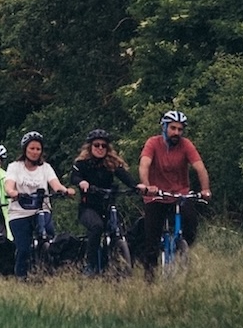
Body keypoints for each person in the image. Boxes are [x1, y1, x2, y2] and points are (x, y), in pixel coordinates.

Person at [139, 110, 212, 278]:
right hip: (156, 195)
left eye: (180, 129)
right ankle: (149, 278)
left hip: (179, 194)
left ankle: (181, 248)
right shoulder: (153, 143)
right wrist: (147, 186)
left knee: (191, 223)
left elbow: (200, 167)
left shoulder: (186, 145)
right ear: (164, 127)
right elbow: (144, 165)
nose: (176, 133)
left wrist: (205, 189)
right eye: (173, 128)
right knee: (152, 240)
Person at [5, 132, 73, 277]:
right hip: (19, 213)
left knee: (50, 240)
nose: (35, 152)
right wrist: (13, 192)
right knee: (23, 249)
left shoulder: (46, 168)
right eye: (32, 148)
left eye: (38, 149)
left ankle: (50, 273)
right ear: (25, 150)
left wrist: (64, 191)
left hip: (42, 210)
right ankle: (21, 278)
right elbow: (9, 185)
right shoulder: (14, 167)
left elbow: (55, 184)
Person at [70, 129, 137, 275]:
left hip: (107, 205)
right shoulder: (81, 164)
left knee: (119, 228)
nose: (100, 148)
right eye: (97, 145)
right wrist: (82, 182)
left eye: (103, 146)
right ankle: (90, 265)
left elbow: (125, 177)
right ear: (90, 147)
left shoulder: (111, 163)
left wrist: (136, 187)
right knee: (96, 227)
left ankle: (119, 262)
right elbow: (74, 177)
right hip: (89, 208)